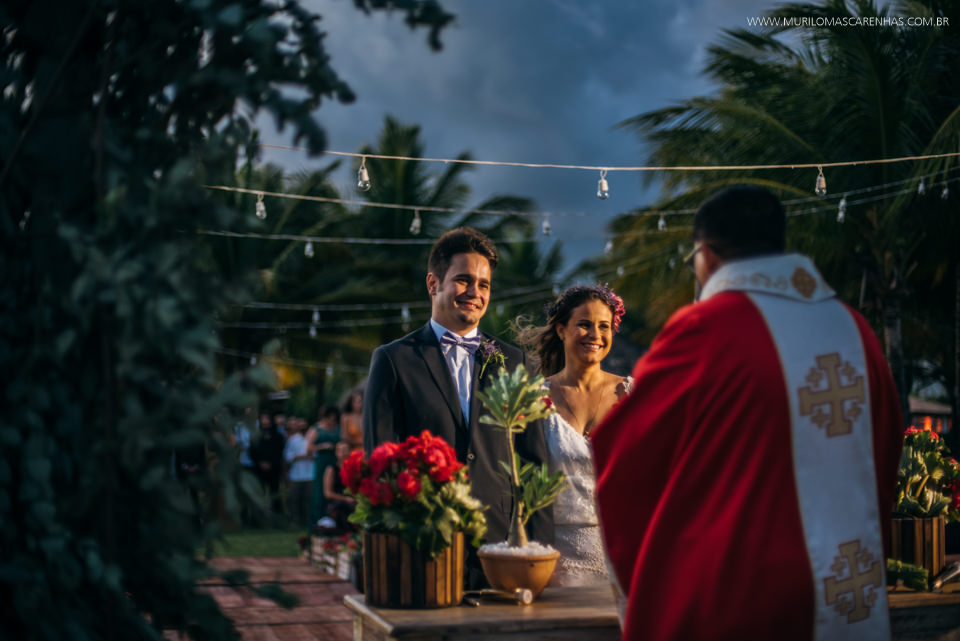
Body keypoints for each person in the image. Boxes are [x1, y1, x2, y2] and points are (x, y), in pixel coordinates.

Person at [592, 185, 903, 641]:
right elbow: (886, 444)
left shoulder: (707, 327)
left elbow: (628, 456)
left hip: (749, 589)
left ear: (707, 254)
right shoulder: (853, 329)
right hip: (848, 585)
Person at [363, 226, 552, 588]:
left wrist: (539, 552)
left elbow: (534, 464)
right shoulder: (393, 360)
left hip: (503, 549)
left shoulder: (516, 364)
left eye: (484, 285)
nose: (475, 293)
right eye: (464, 281)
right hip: (425, 546)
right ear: (433, 284)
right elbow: (380, 463)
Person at [515, 284, 631, 587]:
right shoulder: (533, 398)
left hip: (623, 556)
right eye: (584, 324)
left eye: (604, 326)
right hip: (553, 560)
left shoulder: (632, 395)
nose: (595, 335)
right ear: (561, 329)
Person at [307, 405, 341, 528]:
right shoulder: (316, 429)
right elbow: (308, 448)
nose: (332, 420)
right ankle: (316, 521)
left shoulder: (338, 428)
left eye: (334, 418)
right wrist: (323, 446)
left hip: (334, 461)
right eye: (330, 417)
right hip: (322, 462)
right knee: (320, 491)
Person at [251, 412, 285, 516]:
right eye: (263, 419)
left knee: (274, 492)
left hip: (274, 468)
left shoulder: (278, 436)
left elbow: (279, 451)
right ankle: (258, 516)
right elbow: (252, 451)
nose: (265, 422)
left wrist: (271, 463)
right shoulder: (256, 436)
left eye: (267, 419)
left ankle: (276, 515)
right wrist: (260, 462)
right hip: (258, 468)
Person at [283, 416, 314, 528]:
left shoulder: (311, 438)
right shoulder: (292, 440)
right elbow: (288, 457)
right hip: (296, 475)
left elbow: (314, 454)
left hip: (310, 474)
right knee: (293, 498)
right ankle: (295, 521)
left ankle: (308, 521)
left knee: (308, 499)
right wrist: (301, 456)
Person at [323, 441, 357, 532]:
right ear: (336, 453)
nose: (344, 453)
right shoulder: (331, 469)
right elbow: (328, 493)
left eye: (346, 450)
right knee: (344, 508)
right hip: (338, 502)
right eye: (341, 451)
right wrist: (345, 499)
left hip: (354, 499)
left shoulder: (355, 467)